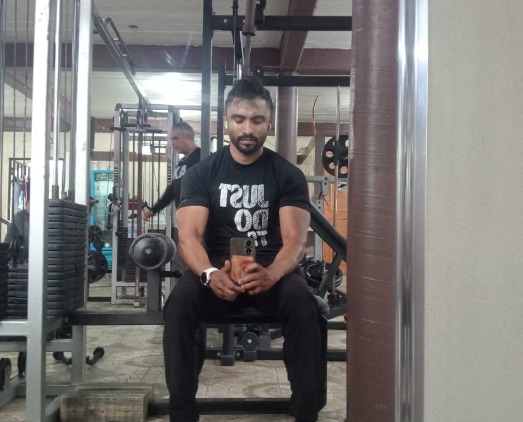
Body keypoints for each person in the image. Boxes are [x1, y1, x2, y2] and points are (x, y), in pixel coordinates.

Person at [162, 77, 325, 422]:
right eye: (239, 119)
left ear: (269, 122)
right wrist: (209, 274)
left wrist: (273, 273)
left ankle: (306, 413)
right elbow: (189, 237)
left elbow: (296, 241)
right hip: (216, 277)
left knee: (303, 304)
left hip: (270, 276)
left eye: (257, 120)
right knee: (179, 304)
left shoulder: (287, 175)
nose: (247, 129)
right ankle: (182, 414)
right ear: (227, 120)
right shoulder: (201, 174)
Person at [143, 121, 200, 219]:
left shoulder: (203, 158)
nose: (173, 143)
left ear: (188, 137)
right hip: (185, 217)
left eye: (176, 138)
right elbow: (172, 190)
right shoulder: (182, 163)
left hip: (200, 217)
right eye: (172, 139)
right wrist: (154, 210)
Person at [4, 197, 30, 262]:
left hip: (18, 250)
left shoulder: (30, 217)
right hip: (10, 249)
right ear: (26, 205)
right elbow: (25, 234)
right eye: (30, 205)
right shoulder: (20, 216)